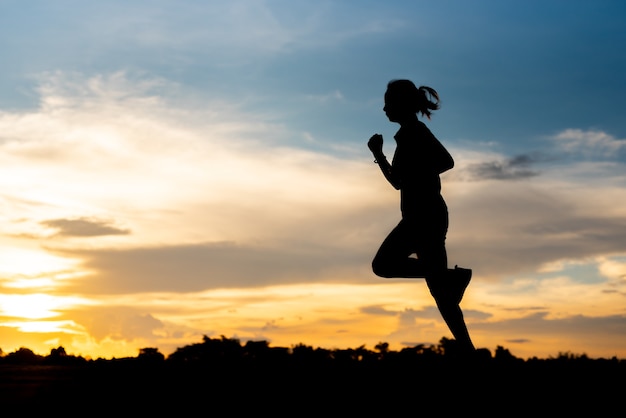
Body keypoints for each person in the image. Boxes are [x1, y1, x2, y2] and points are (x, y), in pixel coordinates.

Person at [367, 79, 475, 353]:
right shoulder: (408, 134)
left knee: (383, 265)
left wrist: (384, 157)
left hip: (423, 217)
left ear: (400, 105)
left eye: (388, 103)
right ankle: (468, 351)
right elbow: (404, 179)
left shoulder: (415, 132)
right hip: (424, 215)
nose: (384, 108)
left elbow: (441, 164)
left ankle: (452, 279)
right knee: (441, 293)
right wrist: (382, 156)